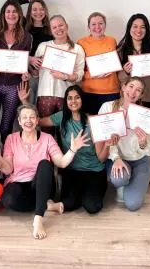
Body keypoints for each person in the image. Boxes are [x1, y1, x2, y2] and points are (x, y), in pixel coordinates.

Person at [0, 104, 90, 239]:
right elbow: (9, 169)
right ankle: (46, 205)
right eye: (24, 117)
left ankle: (38, 218)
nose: (28, 121)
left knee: (45, 164)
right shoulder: (11, 139)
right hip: (19, 183)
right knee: (8, 200)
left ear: (37, 120)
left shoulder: (47, 138)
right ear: (19, 121)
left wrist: (73, 150)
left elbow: (61, 162)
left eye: (32, 117)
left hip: (42, 184)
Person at [39, 85, 110, 214]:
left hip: (93, 171)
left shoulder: (92, 121)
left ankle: (85, 194)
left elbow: (101, 158)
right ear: (66, 101)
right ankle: (75, 196)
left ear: (82, 100)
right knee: (70, 203)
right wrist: (25, 103)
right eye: (70, 98)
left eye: (77, 98)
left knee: (92, 207)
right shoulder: (61, 117)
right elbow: (38, 122)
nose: (73, 101)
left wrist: (108, 144)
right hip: (72, 171)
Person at [98, 76, 150, 211]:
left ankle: (136, 181)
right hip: (118, 160)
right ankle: (125, 182)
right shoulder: (107, 107)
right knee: (119, 179)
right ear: (123, 87)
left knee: (133, 204)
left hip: (140, 160)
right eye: (131, 86)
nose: (133, 92)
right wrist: (116, 158)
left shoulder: (146, 116)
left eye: (138, 90)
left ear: (141, 94)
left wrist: (143, 143)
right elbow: (104, 137)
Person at [0, 0, 31, 143]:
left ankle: (5, 156)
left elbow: (25, 60)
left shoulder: (27, 37)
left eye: (14, 11)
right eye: (8, 11)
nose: (11, 14)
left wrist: (26, 73)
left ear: (19, 14)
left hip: (13, 85)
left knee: (7, 124)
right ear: (3, 14)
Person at [35, 15, 85, 135]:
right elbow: (35, 73)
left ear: (66, 26)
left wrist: (65, 76)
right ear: (51, 30)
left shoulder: (77, 49)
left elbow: (80, 74)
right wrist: (34, 68)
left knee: (66, 132)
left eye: (61, 25)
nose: (58, 29)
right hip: (45, 94)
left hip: (66, 96)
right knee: (46, 134)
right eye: (54, 27)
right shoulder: (43, 46)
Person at [77, 12, 120, 115]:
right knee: (91, 124)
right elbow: (78, 68)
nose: (97, 27)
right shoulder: (81, 42)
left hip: (112, 91)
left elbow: (116, 65)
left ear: (105, 25)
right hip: (90, 91)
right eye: (93, 24)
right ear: (88, 27)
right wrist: (92, 74)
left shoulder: (112, 41)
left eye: (100, 23)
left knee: (110, 124)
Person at [117, 13, 150, 106]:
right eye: (135, 26)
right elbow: (118, 78)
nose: (138, 30)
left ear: (146, 29)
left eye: (142, 27)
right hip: (130, 98)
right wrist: (125, 72)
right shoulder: (121, 50)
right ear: (129, 29)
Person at [24, 0, 53, 105]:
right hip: (27, 75)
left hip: (46, 75)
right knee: (28, 107)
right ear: (29, 12)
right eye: (34, 9)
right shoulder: (23, 29)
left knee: (41, 108)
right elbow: (11, 4)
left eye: (41, 9)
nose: (38, 12)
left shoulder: (51, 30)